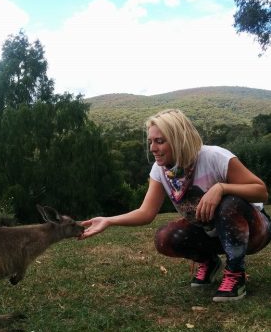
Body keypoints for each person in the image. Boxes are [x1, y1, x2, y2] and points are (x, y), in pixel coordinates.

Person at [81, 109, 271, 302]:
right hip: (212, 231)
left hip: (252, 231)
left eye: (160, 141)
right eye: (150, 142)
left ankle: (235, 274)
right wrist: (108, 221)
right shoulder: (160, 170)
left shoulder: (214, 156)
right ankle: (209, 261)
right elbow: (146, 212)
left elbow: (261, 191)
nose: (152, 148)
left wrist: (221, 188)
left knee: (229, 203)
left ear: (179, 139)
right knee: (166, 237)